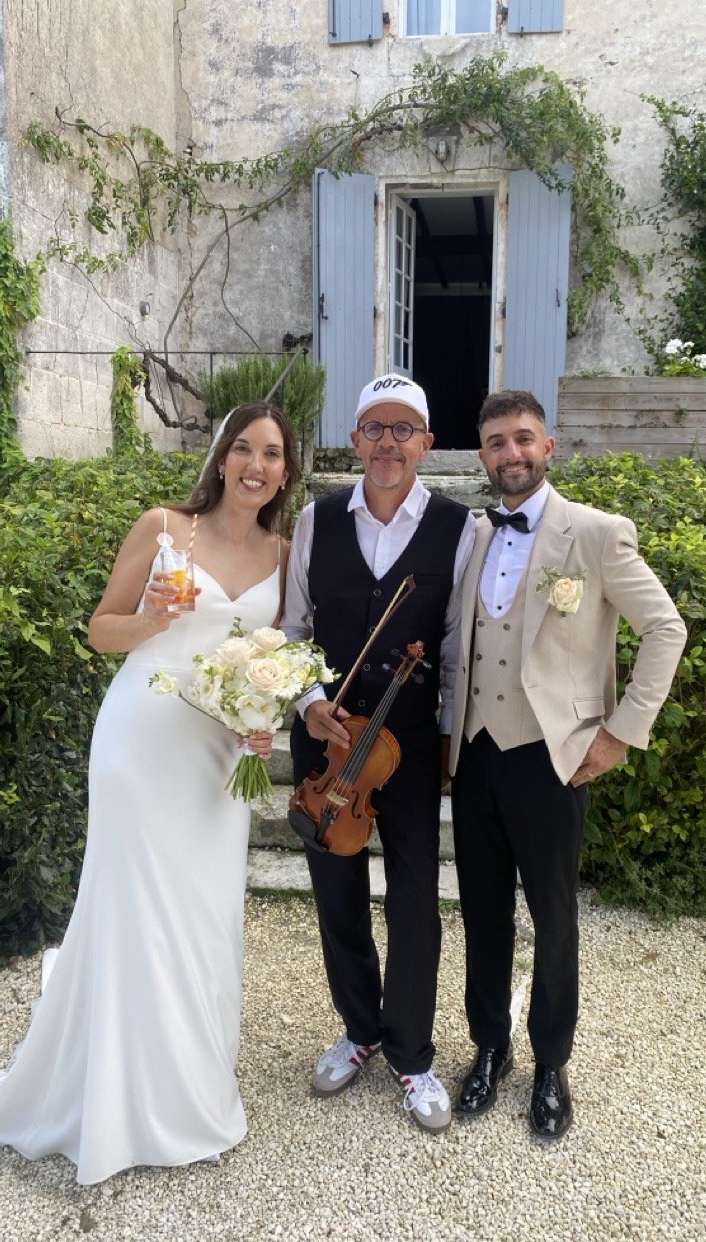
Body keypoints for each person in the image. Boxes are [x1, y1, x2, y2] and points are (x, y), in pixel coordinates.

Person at [0, 402, 299, 1184]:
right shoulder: (166, 526)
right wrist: (150, 618)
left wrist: (260, 716)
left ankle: (187, 1088)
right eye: (242, 447)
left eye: (272, 454)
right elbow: (99, 628)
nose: (255, 464)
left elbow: (270, 651)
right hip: (142, 739)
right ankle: (110, 1096)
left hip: (216, 753)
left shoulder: (286, 549)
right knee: (132, 904)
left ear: (286, 471)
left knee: (204, 913)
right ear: (218, 457)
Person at [449, 389, 687, 1139]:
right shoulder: (471, 536)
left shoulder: (596, 534)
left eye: (523, 439)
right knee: (482, 914)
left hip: (554, 758)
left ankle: (551, 1061)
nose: (510, 454)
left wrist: (619, 733)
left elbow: (665, 628)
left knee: (553, 919)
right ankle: (491, 1047)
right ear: (482, 455)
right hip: (475, 753)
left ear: (548, 447)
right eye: (495, 442)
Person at [282, 374, 476, 1133]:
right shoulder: (315, 519)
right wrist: (309, 703)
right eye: (374, 427)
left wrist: (453, 741)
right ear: (355, 439)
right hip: (328, 744)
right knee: (335, 890)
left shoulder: (461, 528)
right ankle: (360, 1029)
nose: (388, 441)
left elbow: (458, 649)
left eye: (404, 428)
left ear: (426, 443)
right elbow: (294, 631)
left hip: (410, 746)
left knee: (416, 897)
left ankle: (412, 1052)